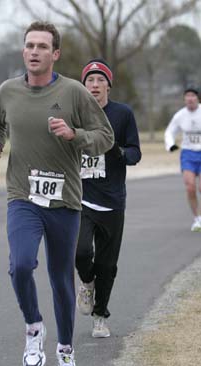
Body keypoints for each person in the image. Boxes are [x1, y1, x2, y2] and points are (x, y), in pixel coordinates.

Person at [0, 22, 114, 366]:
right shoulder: (8, 91)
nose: (35, 51)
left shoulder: (74, 92)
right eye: (29, 45)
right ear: (23, 51)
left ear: (55, 53)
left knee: (61, 281)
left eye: (43, 46)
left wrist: (75, 135)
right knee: (21, 265)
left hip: (65, 202)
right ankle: (33, 326)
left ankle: (66, 352)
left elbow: (105, 136)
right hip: (23, 197)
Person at [75, 59, 141, 338]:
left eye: (100, 80)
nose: (94, 85)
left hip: (113, 200)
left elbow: (135, 153)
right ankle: (86, 282)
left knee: (107, 265)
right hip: (81, 197)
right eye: (90, 80)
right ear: (83, 86)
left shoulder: (122, 114)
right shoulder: (75, 114)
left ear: (109, 86)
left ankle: (100, 315)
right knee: (80, 252)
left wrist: (118, 152)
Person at [165, 86, 201, 232]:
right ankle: (197, 219)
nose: (190, 98)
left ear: (197, 98)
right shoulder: (180, 115)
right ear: (185, 99)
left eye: (193, 96)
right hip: (188, 154)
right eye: (187, 96)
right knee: (190, 187)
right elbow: (170, 131)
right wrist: (171, 144)